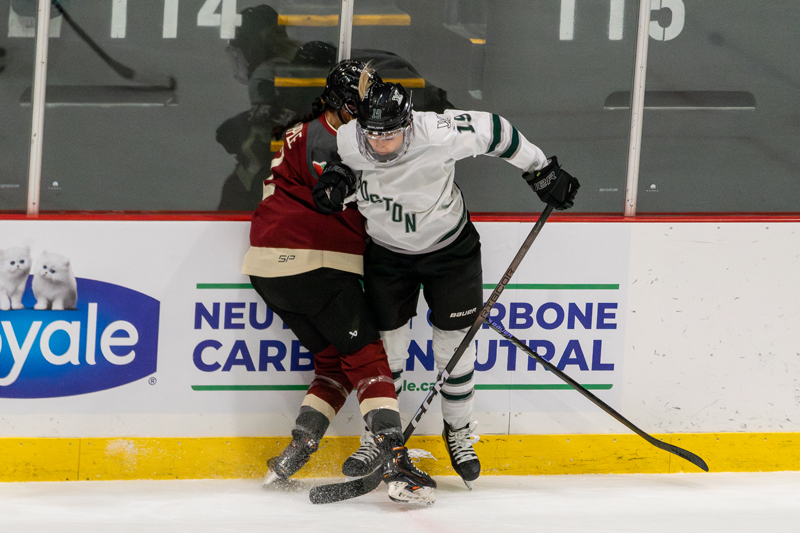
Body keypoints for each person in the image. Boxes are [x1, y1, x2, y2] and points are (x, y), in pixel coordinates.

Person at [312, 70, 580, 489]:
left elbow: (498, 131)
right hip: (387, 255)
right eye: (372, 135)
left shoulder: (438, 132)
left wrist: (540, 170)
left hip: (451, 252)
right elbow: (349, 168)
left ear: (408, 124)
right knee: (388, 352)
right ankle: (379, 438)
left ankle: (457, 431)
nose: (380, 145)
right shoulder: (351, 138)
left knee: (453, 348)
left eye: (389, 136)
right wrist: (337, 182)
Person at [241, 60, 437, 505]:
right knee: (370, 360)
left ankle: (293, 456)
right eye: (364, 105)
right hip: (317, 264)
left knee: (334, 365)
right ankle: (396, 464)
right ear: (346, 107)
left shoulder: (305, 130)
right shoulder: (334, 143)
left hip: (270, 269)